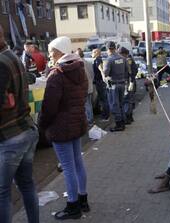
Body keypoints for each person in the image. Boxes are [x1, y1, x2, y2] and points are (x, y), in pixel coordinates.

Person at [38, 36, 89, 220]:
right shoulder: (79, 68)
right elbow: (83, 93)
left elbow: (49, 107)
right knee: (77, 163)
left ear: (60, 52)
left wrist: (42, 125)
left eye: (51, 51)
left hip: (60, 127)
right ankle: (83, 200)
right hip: (76, 124)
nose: (49, 55)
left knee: (68, 168)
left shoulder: (57, 74)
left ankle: (73, 206)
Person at [0, 25, 39, 223]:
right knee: (26, 185)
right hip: (26, 129)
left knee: (3, 192)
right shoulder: (12, 56)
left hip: (11, 135)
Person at [103, 41, 128, 132]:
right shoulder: (123, 58)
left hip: (113, 85)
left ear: (108, 49)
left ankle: (119, 125)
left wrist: (101, 69)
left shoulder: (109, 60)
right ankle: (123, 121)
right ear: (114, 48)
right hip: (122, 84)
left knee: (114, 105)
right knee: (121, 104)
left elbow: (106, 73)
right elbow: (126, 71)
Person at [76, 48, 95, 126]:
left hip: (84, 87)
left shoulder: (79, 63)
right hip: (90, 86)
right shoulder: (88, 62)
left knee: (87, 105)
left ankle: (90, 121)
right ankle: (90, 120)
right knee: (89, 104)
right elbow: (92, 74)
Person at [119, 47, 137, 124]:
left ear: (124, 54)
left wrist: (131, 81)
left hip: (128, 82)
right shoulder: (128, 59)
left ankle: (127, 118)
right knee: (129, 100)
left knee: (127, 100)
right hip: (130, 81)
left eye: (120, 54)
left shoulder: (128, 60)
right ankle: (130, 117)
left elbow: (132, 72)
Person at [92, 48, 110, 121]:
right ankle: (105, 115)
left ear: (97, 52)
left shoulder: (98, 60)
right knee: (103, 99)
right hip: (99, 82)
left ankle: (106, 116)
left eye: (93, 52)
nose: (91, 53)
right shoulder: (97, 60)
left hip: (100, 82)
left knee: (103, 100)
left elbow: (101, 70)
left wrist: (103, 79)